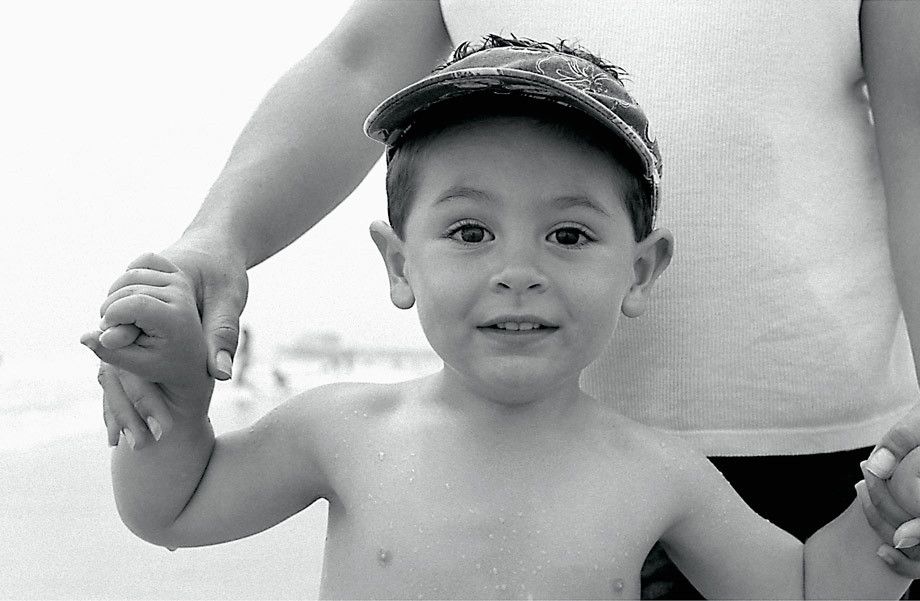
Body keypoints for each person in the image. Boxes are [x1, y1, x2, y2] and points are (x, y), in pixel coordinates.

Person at [91, 1, 920, 596]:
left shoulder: (657, 473)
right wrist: (173, 400)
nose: (518, 269)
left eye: (568, 234)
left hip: (821, 435)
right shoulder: (340, 431)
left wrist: (892, 519)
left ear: (639, 271)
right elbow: (176, 506)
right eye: (470, 231)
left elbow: (804, 588)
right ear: (398, 263)